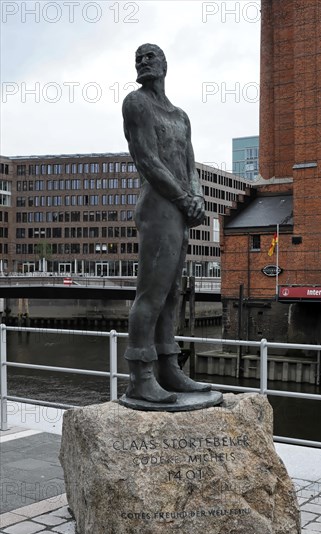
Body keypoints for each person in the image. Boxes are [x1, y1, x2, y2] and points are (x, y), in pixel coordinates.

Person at [122, 43, 211, 403]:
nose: (143, 61)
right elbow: (146, 158)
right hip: (158, 206)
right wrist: (182, 198)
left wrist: (198, 196)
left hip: (179, 207)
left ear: (165, 65)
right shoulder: (135, 102)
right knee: (152, 293)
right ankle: (140, 374)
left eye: (150, 56)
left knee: (172, 292)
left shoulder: (181, 115)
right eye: (138, 57)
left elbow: (190, 162)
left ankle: (169, 367)